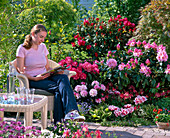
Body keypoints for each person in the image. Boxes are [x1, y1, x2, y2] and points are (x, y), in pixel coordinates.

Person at [16, 24, 85, 124]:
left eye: (44, 37)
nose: (43, 40)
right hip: (32, 80)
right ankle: (61, 123)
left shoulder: (43, 47)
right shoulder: (22, 49)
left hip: (46, 76)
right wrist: (35, 79)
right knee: (58, 90)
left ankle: (71, 112)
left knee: (63, 77)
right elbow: (20, 71)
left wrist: (56, 71)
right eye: (41, 37)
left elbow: (47, 67)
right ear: (33, 34)